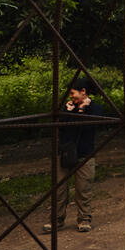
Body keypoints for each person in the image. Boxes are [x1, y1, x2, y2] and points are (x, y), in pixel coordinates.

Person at [43, 77, 104, 233]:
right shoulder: (67, 108)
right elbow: (62, 127)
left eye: (73, 93)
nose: (71, 97)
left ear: (83, 92)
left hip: (85, 154)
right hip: (65, 154)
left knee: (83, 189)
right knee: (59, 189)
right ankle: (56, 221)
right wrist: (70, 111)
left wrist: (82, 110)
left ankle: (84, 220)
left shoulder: (95, 108)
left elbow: (90, 126)